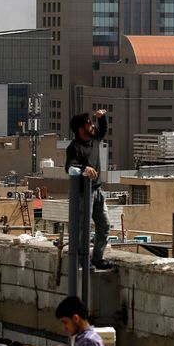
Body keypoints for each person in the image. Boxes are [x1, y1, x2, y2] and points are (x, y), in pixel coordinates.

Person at [65, 109, 112, 270]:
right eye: (89, 124)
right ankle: (83, 261)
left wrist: (102, 118)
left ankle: (98, 258)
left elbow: (102, 130)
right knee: (84, 228)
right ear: (81, 130)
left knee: (104, 225)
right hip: (84, 193)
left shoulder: (94, 139)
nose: (92, 126)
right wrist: (84, 168)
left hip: (98, 190)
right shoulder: (74, 147)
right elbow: (69, 166)